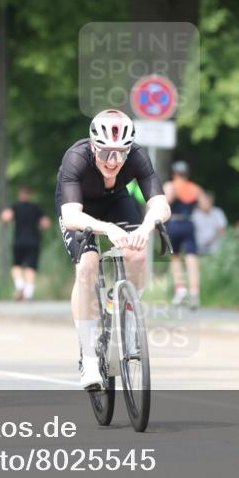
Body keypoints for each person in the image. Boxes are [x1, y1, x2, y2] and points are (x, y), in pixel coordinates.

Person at [57, 109, 170, 390]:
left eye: (121, 153)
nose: (113, 161)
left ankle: (127, 321)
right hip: (81, 208)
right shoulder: (76, 159)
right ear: (94, 146)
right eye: (106, 152)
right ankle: (89, 358)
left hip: (115, 200)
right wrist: (107, 228)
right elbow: (71, 216)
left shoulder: (138, 157)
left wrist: (145, 228)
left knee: (138, 253)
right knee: (87, 267)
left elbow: (161, 204)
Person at [0, 185, 51, 301]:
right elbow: (46, 223)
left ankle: (20, 285)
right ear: (30, 195)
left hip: (19, 241)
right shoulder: (36, 208)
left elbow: (5, 217)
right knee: (31, 267)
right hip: (34, 240)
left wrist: (6, 223)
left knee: (16, 265)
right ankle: (28, 293)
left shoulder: (15, 207)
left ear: (20, 195)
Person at [164, 160, 202, 309]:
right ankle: (194, 292)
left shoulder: (171, 185)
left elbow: (167, 201)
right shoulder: (194, 188)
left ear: (174, 173)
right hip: (189, 223)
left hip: (174, 223)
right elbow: (205, 206)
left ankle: (180, 289)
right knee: (192, 257)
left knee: (175, 257)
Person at [192, 190, 228, 255]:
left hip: (216, 247)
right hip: (198, 248)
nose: (201, 203)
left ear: (211, 201)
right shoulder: (194, 214)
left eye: (204, 201)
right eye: (200, 201)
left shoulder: (218, 212)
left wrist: (212, 241)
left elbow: (222, 230)